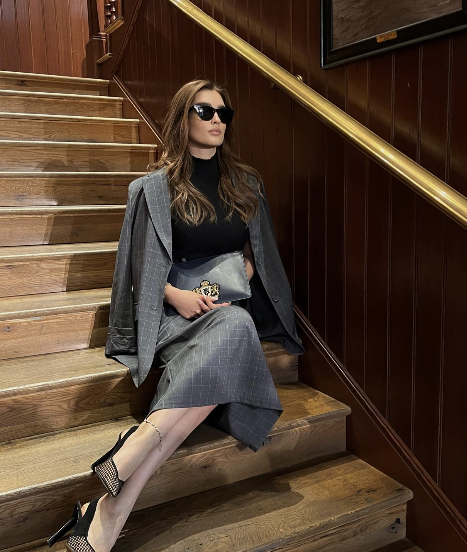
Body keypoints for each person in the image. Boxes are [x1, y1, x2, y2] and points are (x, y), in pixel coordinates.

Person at [48, 80, 304, 552]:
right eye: (205, 111)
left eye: (225, 114)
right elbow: (138, 266)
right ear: (181, 117)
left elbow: (259, 252)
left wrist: (243, 271)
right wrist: (175, 295)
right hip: (172, 312)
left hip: (223, 307)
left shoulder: (247, 183)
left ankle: (118, 488)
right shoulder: (151, 189)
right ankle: (112, 504)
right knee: (231, 342)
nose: (217, 121)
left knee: (236, 324)